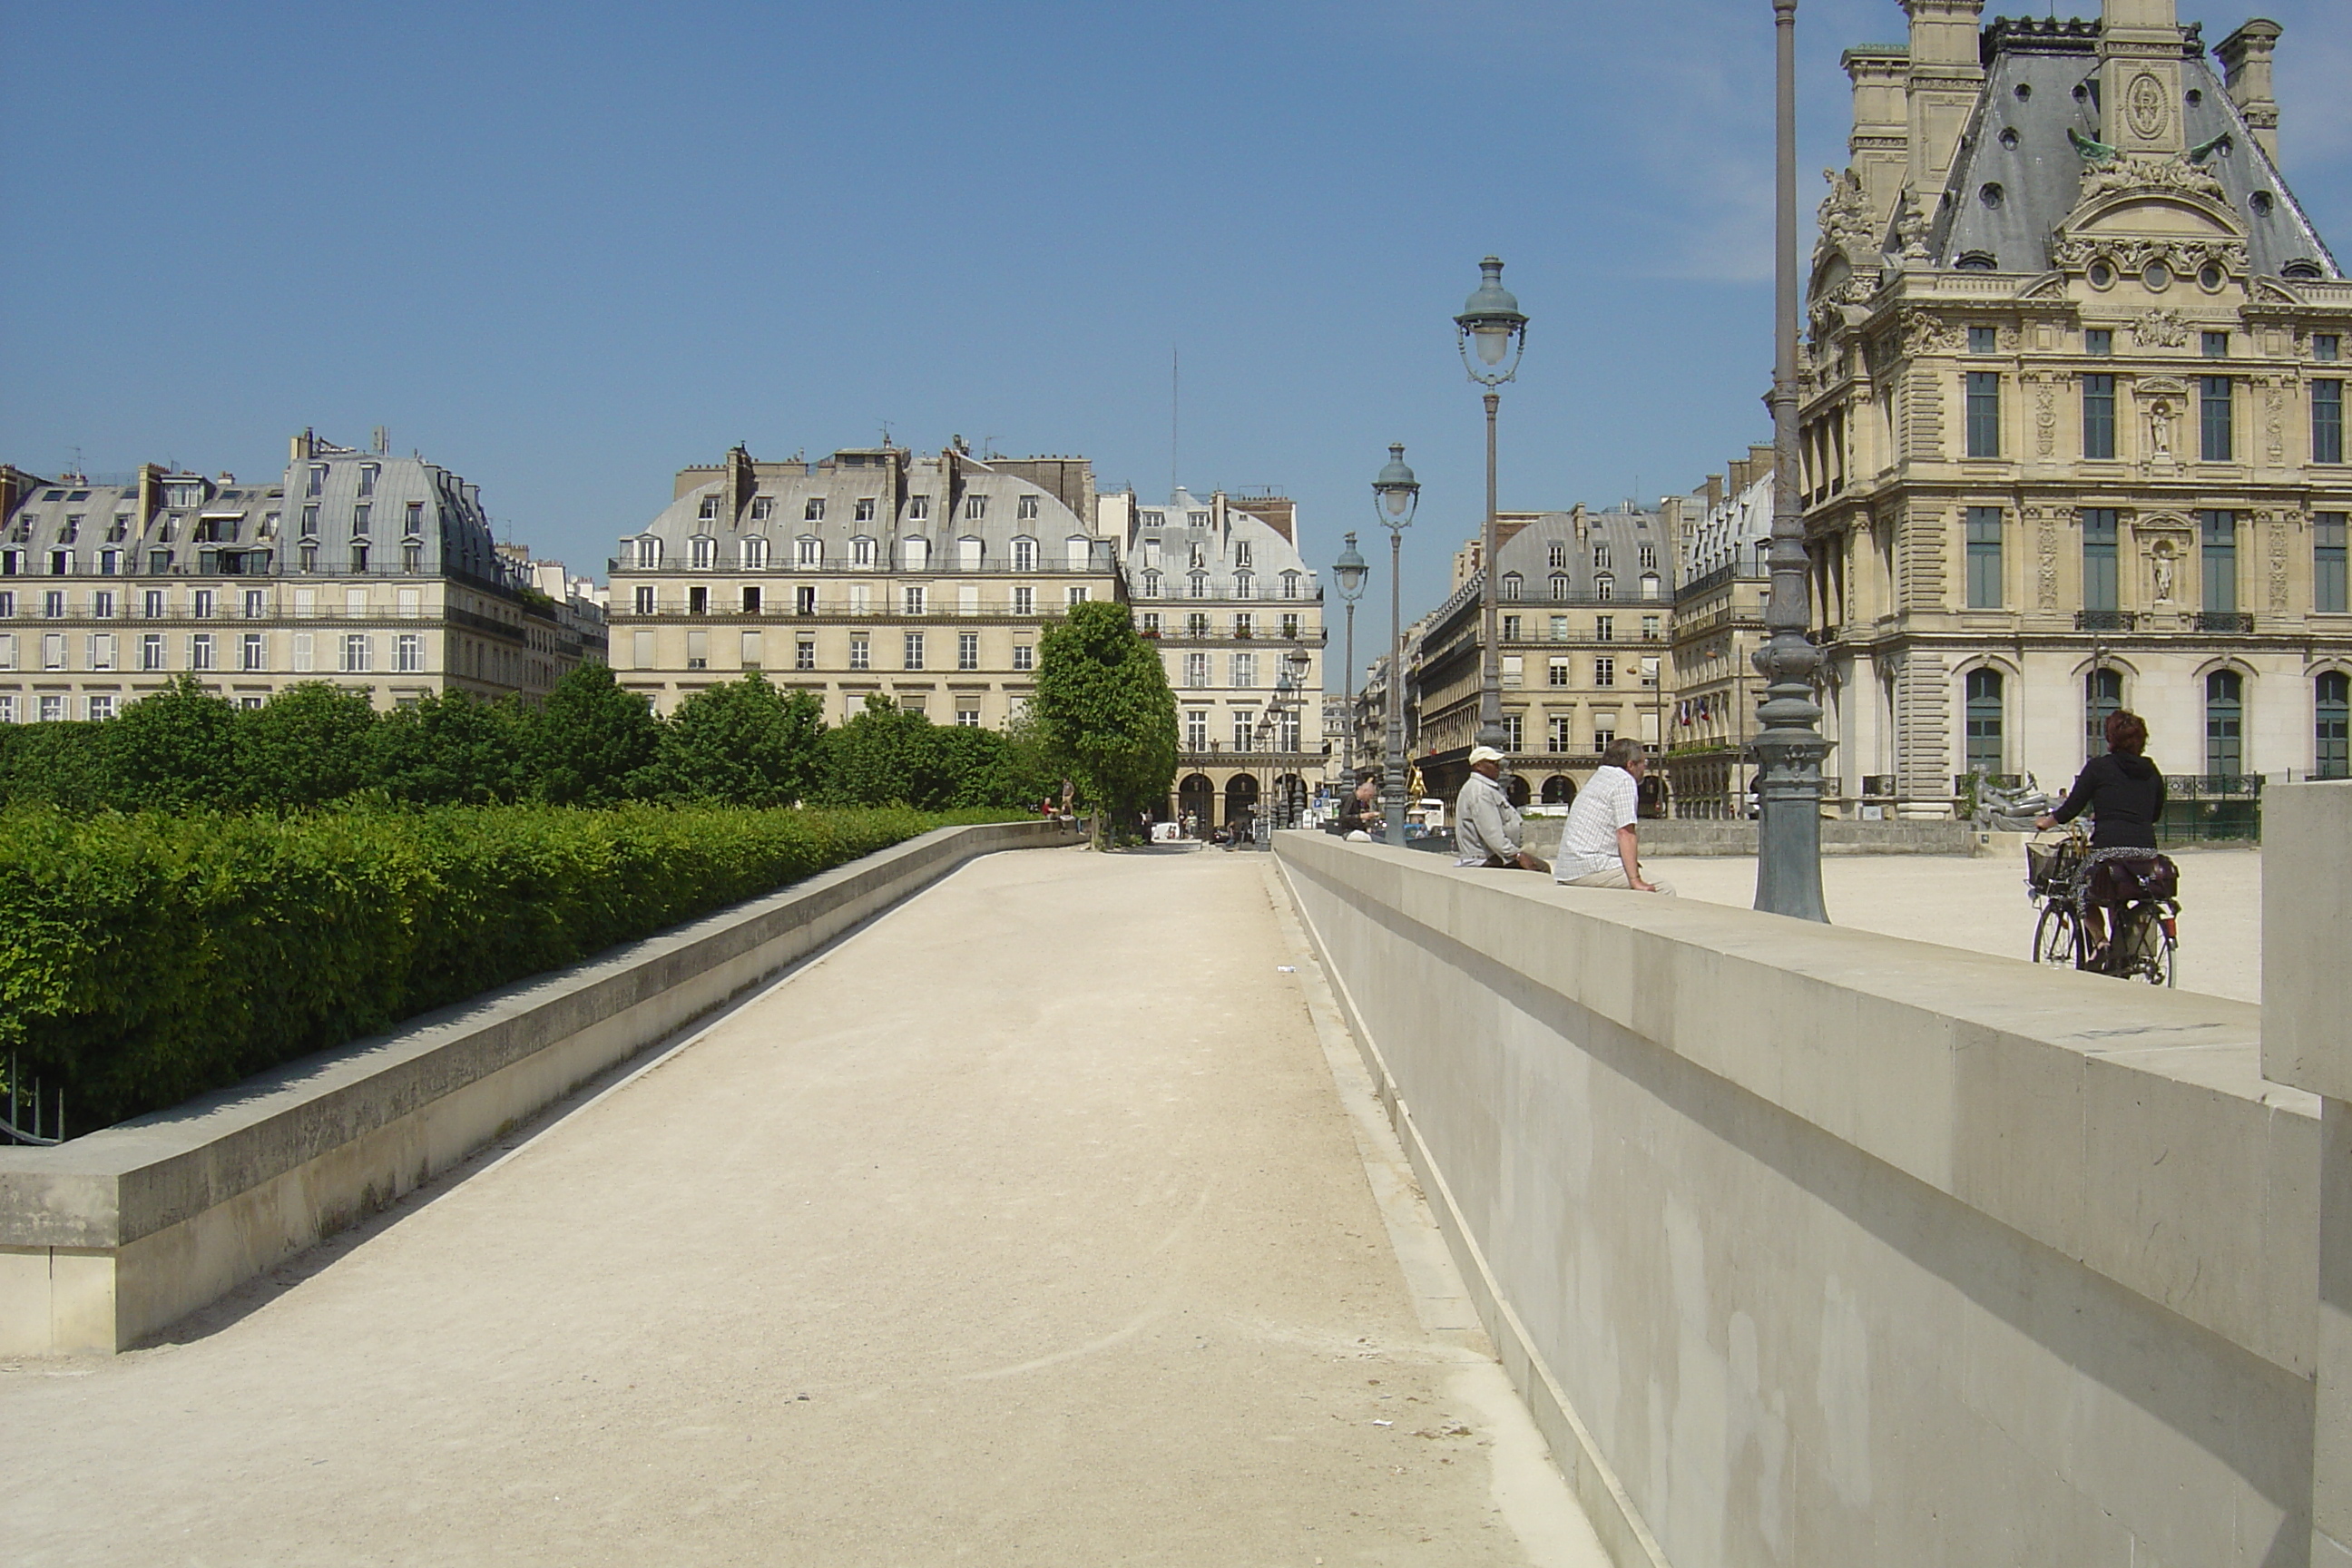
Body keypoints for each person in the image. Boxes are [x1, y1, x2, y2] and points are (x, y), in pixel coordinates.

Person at [2036, 709, 2169, 962]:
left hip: (2109, 850)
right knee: (2119, 890)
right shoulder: (2151, 770)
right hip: (2146, 852)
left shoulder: (2099, 767)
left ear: (2111, 738)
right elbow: (2155, 813)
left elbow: (2071, 808)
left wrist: (2047, 822)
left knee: (2079, 888)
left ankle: (2101, 942)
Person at [1553, 739, 1675, 894]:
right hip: (1590, 867)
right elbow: (1625, 833)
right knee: (1665, 890)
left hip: (1569, 867)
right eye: (1644, 762)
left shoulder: (1600, 776)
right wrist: (1635, 880)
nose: (1645, 767)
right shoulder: (1623, 780)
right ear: (1631, 765)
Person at [1455, 746, 1549, 871]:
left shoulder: (1482, 788)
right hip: (1484, 858)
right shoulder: (1481, 792)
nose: (1498, 767)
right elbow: (1491, 832)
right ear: (1478, 766)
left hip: (1490, 855)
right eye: (1493, 763)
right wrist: (1517, 855)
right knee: (1542, 868)